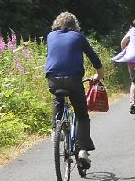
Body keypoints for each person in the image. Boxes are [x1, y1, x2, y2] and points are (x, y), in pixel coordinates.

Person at [45, 11, 104, 168]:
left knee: (57, 98)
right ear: (74, 25)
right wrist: (99, 74)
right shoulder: (78, 37)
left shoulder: (50, 36)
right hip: (73, 80)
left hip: (53, 79)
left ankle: (55, 129)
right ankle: (83, 150)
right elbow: (93, 57)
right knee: (82, 115)